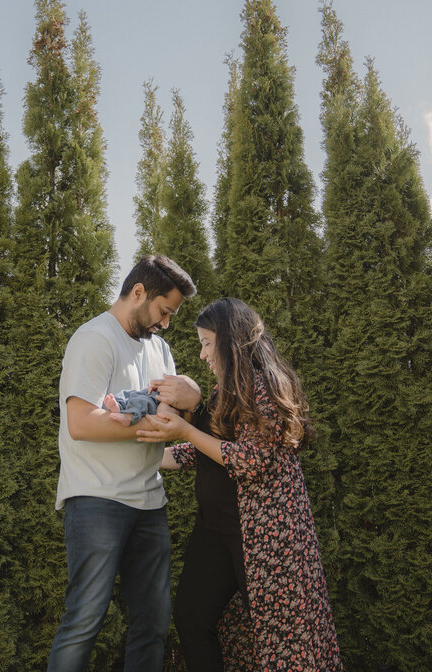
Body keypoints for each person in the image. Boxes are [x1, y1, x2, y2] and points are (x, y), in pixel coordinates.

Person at [137, 297, 343, 671]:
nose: (201, 355)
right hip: (216, 531)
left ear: (231, 343)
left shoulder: (263, 386)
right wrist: (151, 453)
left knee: (283, 641)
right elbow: (207, 450)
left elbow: (249, 459)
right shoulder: (222, 392)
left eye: (206, 344)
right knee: (192, 619)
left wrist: (184, 427)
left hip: (265, 538)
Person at [48, 254, 201, 672]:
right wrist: (152, 425)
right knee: (85, 622)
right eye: (163, 311)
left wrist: (192, 398)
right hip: (97, 499)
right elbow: (80, 423)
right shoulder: (94, 339)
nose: (165, 323)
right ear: (138, 293)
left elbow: (175, 419)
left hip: (150, 503)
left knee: (153, 624)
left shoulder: (161, 350)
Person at [102, 387, 197, 426]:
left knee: (143, 401)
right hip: (152, 395)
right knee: (130, 395)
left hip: (154, 404)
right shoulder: (164, 390)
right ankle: (118, 406)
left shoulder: (177, 403)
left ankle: (129, 417)